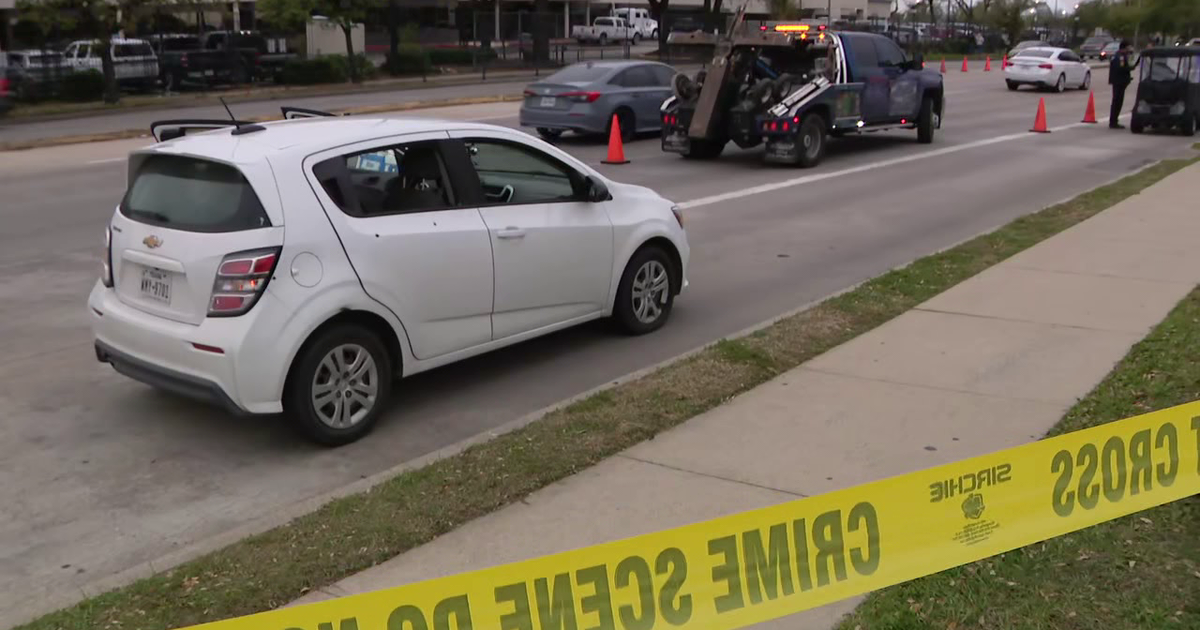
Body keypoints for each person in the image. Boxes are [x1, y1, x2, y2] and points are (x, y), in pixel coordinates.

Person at [1109, 40, 1134, 129]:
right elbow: (1121, 68)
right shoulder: (1121, 57)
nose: (1130, 49)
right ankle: (1113, 121)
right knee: (1117, 102)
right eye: (1129, 47)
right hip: (1119, 82)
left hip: (1118, 81)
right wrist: (1130, 68)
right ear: (1125, 47)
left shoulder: (1118, 55)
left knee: (1117, 101)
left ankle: (1114, 120)